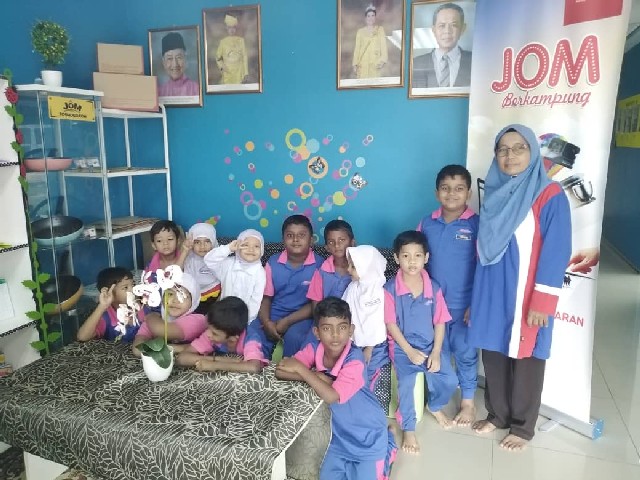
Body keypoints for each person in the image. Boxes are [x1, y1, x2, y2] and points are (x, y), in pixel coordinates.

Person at [469, 124, 571, 452]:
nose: (510, 155)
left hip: (526, 292)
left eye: (519, 148)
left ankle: (523, 426)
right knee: (494, 352)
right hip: (492, 289)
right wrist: (476, 300)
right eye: (502, 149)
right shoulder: (494, 193)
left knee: (528, 355)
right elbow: (484, 251)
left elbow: (557, 249)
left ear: (533, 153)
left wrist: (543, 300)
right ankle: (498, 414)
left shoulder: (549, 194)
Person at [276, 297, 396, 480]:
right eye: (327, 328)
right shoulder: (314, 348)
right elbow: (281, 371)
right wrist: (317, 376)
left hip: (368, 435)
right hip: (337, 437)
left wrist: (302, 370)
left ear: (351, 330)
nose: (335, 335)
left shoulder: (355, 360)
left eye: (342, 327)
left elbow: (332, 396)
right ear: (316, 332)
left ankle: (390, 445)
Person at [385, 230, 458, 454]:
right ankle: (408, 428)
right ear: (396, 258)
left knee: (449, 379)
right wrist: (408, 351)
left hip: (428, 346)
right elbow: (391, 324)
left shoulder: (433, 288)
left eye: (417, 255)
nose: (412, 261)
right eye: (405, 256)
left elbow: (440, 322)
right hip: (402, 348)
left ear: (426, 258)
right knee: (406, 384)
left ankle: (434, 406)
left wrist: (435, 352)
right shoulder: (389, 289)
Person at [417, 164, 479, 427]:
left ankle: (468, 402)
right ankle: (437, 401)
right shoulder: (426, 223)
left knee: (466, 353)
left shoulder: (477, 224)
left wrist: (476, 304)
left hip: (465, 306)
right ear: (436, 193)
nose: (451, 194)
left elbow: (484, 267)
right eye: (445, 188)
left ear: (469, 193)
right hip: (433, 308)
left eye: (459, 188)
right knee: (437, 355)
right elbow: (417, 264)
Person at [251, 214, 324, 359]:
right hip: (274, 312)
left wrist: (287, 321)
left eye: (301, 235)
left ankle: (286, 367)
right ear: (283, 239)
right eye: (290, 235)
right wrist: (267, 322)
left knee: (295, 337)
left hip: (303, 316)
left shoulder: (320, 265)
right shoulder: (273, 262)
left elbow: (315, 304)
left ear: (311, 240)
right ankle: (257, 362)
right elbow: (266, 298)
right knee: (254, 331)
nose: (295, 239)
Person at [342, 245, 390, 410]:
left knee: (367, 372)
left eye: (353, 267)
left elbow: (377, 322)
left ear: (366, 269)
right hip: (354, 342)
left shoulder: (378, 293)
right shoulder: (353, 287)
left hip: (375, 345)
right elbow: (345, 311)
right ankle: (352, 406)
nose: (348, 269)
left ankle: (368, 408)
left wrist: (369, 347)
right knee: (349, 370)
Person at [173, 296, 268, 373]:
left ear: (233, 338)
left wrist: (215, 365)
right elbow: (182, 358)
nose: (208, 334)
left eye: (214, 333)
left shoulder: (250, 338)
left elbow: (254, 367)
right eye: (208, 328)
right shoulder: (212, 333)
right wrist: (219, 359)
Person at [132, 272, 208, 356]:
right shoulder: (157, 319)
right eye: (170, 294)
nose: (175, 300)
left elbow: (160, 330)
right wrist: (180, 348)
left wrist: (150, 316)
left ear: (193, 301)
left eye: (182, 296)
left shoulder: (197, 320)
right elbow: (138, 349)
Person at [203, 229, 266, 324]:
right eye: (246, 245)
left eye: (256, 246)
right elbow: (209, 260)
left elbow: (255, 301)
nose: (251, 249)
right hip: (221, 313)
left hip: (242, 319)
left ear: (262, 250)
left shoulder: (260, 273)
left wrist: (245, 320)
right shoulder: (229, 264)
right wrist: (228, 248)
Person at [412, 2, 471, 88]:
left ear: (462, 29)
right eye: (442, 26)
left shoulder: (475, 61)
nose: (447, 31)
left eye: (454, 25)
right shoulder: (416, 64)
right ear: (433, 30)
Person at [77, 267, 142, 342]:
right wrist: (102, 306)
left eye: (133, 284)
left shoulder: (144, 305)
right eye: (125, 287)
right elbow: (82, 337)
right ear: (108, 292)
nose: (132, 290)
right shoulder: (106, 317)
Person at [306, 219, 355, 309]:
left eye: (342, 240)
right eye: (331, 242)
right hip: (327, 316)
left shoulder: (360, 269)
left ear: (352, 243)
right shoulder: (321, 272)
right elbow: (316, 304)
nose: (337, 245)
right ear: (327, 248)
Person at [177, 223, 221, 314]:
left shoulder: (218, 258)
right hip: (194, 295)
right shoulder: (189, 259)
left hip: (215, 294)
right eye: (197, 242)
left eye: (207, 241)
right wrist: (185, 251)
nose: (202, 246)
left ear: (213, 242)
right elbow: (175, 272)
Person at [351, 4, 389, 79]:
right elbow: (357, 49)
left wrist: (382, 61)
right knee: (362, 84)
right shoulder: (360, 32)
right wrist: (355, 64)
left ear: (375, 17)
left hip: (375, 63)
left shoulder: (380, 30)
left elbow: (384, 47)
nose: (370, 18)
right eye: (368, 16)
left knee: (374, 83)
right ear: (365, 18)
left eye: (372, 15)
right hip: (362, 64)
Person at [158, 31, 199, 97]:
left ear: (185, 59)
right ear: (163, 62)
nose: (175, 64)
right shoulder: (159, 91)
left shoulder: (197, 88)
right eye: (169, 58)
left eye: (179, 57)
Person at [216, 13, 249, 85]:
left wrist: (246, 73)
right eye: (229, 27)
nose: (231, 30)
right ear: (226, 28)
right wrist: (222, 67)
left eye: (233, 27)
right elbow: (218, 58)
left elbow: (244, 56)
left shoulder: (241, 40)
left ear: (236, 28)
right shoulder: (223, 42)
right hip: (227, 73)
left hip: (239, 72)